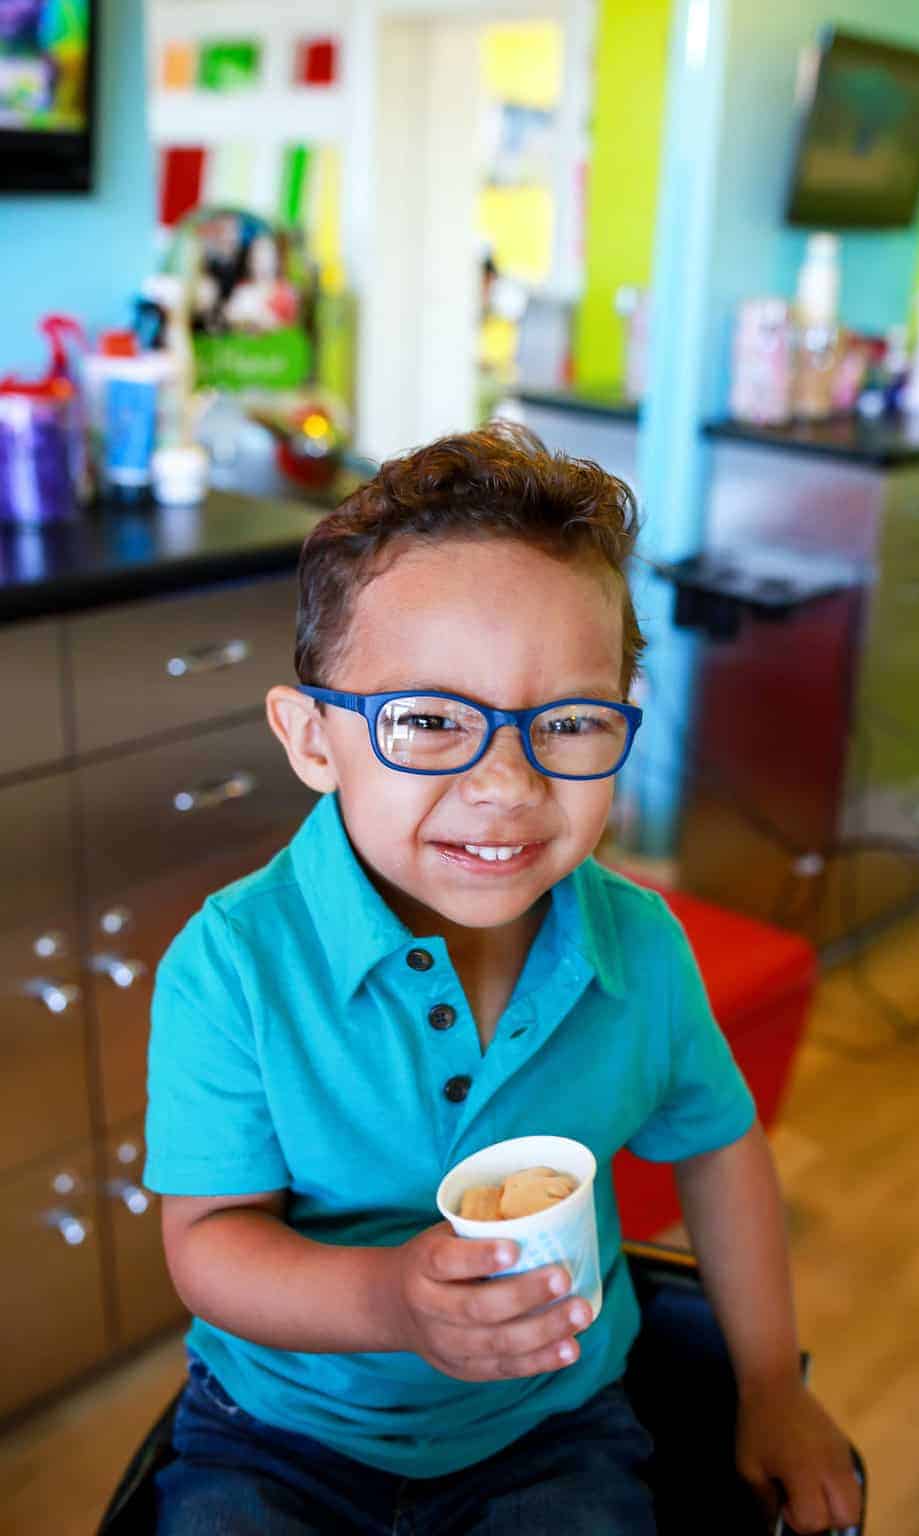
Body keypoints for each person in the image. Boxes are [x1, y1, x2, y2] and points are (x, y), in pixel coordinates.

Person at [145, 423, 863, 1535]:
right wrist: (391, 1302)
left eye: (569, 721)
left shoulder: (641, 949)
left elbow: (719, 1150)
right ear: (313, 740)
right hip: (277, 1431)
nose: (505, 782)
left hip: (553, 1426)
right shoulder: (232, 966)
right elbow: (208, 1243)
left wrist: (770, 1385)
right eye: (428, 719)